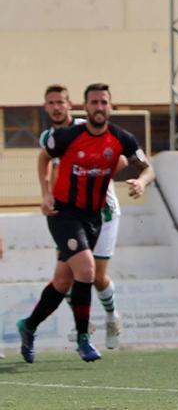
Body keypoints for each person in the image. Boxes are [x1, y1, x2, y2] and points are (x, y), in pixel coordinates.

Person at [18, 83, 152, 363]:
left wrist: (140, 181)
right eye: (94, 102)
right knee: (88, 270)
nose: (99, 107)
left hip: (96, 216)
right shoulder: (65, 136)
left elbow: (145, 166)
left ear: (110, 106)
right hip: (64, 214)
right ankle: (84, 338)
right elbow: (44, 157)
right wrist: (45, 195)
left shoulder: (120, 138)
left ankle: (28, 326)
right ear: (85, 106)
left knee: (64, 280)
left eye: (104, 102)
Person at [39, 84, 132, 350]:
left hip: (103, 212)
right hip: (68, 215)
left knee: (97, 277)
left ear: (71, 105)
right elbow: (50, 167)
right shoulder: (47, 137)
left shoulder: (87, 126)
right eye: (51, 103)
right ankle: (84, 326)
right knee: (66, 275)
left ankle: (112, 317)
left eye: (61, 102)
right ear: (46, 107)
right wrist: (47, 196)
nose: (56, 107)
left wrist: (96, 174)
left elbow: (122, 159)